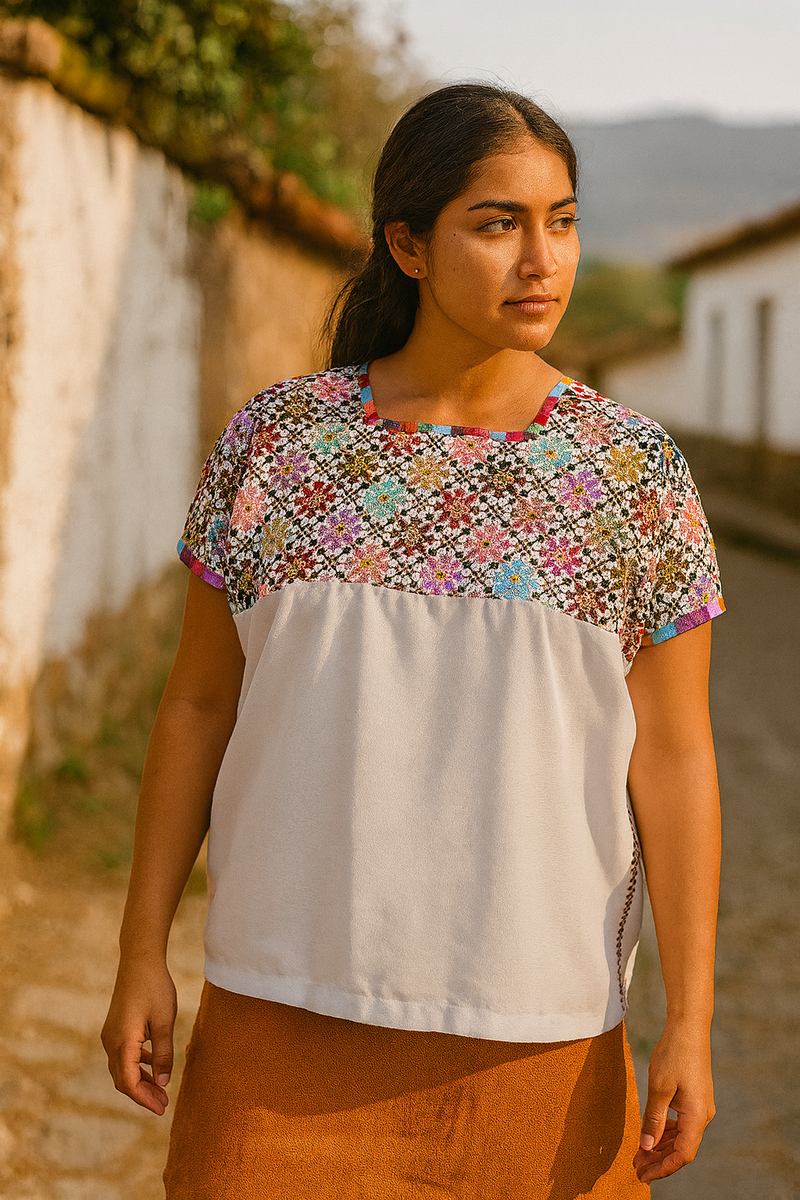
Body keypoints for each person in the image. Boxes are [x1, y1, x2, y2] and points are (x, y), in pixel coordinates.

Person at [102, 83, 723, 1198]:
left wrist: (690, 1019)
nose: (541, 259)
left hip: (538, 1040)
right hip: (276, 1028)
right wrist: (139, 950)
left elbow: (672, 756)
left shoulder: (630, 473)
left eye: (562, 220)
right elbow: (198, 705)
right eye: (497, 224)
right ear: (408, 245)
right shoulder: (277, 444)